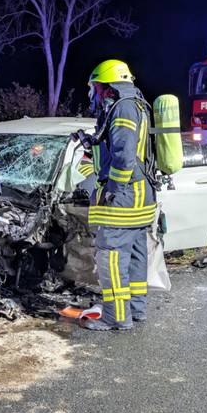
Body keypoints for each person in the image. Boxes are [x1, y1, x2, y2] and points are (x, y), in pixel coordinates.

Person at [74, 59, 157, 332]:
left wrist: (112, 189)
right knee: (134, 258)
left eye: (95, 87)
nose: (93, 93)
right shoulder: (134, 105)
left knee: (111, 259)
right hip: (141, 198)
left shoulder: (122, 108)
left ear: (106, 86)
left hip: (123, 199)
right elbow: (114, 146)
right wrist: (90, 141)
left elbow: (123, 155)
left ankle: (116, 317)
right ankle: (136, 310)